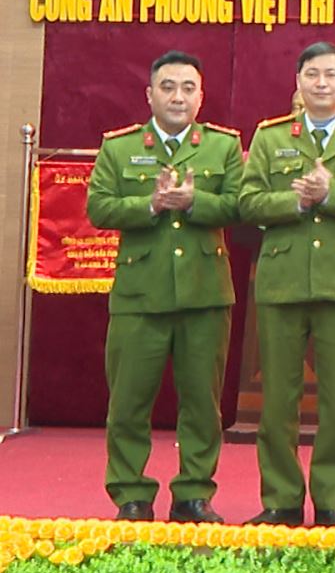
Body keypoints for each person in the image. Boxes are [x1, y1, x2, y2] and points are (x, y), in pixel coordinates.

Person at [238, 42, 335, 528]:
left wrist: (332, 193)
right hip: (282, 282)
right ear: (298, 82)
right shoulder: (270, 137)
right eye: (312, 74)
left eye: (330, 75)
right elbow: (247, 203)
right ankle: (281, 499)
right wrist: (296, 202)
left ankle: (333, 500)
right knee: (277, 402)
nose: (321, 83)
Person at [86, 50, 243, 524]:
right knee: (128, 402)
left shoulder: (223, 147)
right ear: (150, 94)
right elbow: (98, 208)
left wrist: (196, 202)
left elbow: (241, 205)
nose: (178, 97)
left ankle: (193, 493)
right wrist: (149, 206)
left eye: (188, 88)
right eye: (168, 87)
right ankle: (131, 494)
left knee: (202, 403)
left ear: (201, 97)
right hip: (140, 295)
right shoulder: (119, 148)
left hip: (204, 294)